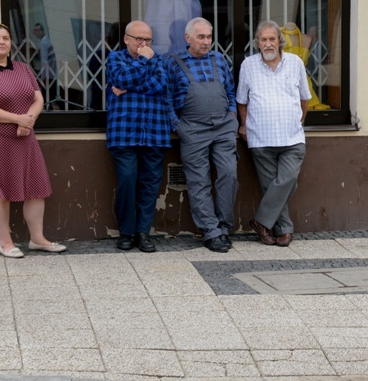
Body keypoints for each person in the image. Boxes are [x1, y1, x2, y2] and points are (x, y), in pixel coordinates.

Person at [0, 23, 66, 258]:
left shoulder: (22, 68)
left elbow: (38, 98)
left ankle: (37, 239)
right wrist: (19, 120)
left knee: (36, 188)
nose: (2, 41)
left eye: (6, 38)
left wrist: (27, 121)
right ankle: (5, 243)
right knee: (1, 191)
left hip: (24, 137)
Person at [237, 20, 311, 246]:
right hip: (260, 138)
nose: (268, 44)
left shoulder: (295, 62)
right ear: (257, 43)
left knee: (288, 180)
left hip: (292, 137)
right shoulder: (248, 65)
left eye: (272, 39)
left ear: (280, 41)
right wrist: (243, 125)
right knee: (272, 187)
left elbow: (305, 99)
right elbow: (242, 101)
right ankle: (285, 229)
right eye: (263, 39)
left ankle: (261, 220)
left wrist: (299, 120)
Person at [166, 17, 238, 253]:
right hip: (193, 129)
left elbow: (229, 89)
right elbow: (167, 98)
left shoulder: (219, 59)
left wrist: (232, 115)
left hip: (223, 127)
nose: (207, 41)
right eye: (201, 37)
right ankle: (211, 231)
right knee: (199, 181)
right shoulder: (174, 62)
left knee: (229, 173)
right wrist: (178, 126)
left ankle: (224, 226)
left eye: (209, 36)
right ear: (188, 38)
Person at [106, 20, 173, 252]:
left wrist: (131, 86)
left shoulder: (159, 60)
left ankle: (143, 233)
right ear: (126, 39)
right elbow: (121, 78)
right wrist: (143, 61)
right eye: (139, 40)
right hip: (124, 133)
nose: (144, 45)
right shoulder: (115, 58)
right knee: (127, 180)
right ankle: (126, 232)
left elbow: (162, 84)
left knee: (150, 184)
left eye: (148, 40)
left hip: (155, 132)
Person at [32, 23, 60, 108]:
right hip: (53, 72)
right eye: (35, 31)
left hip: (49, 73)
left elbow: (44, 60)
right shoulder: (47, 40)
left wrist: (42, 77)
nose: (36, 33)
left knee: (47, 96)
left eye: (38, 30)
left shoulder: (43, 43)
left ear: (42, 31)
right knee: (50, 95)